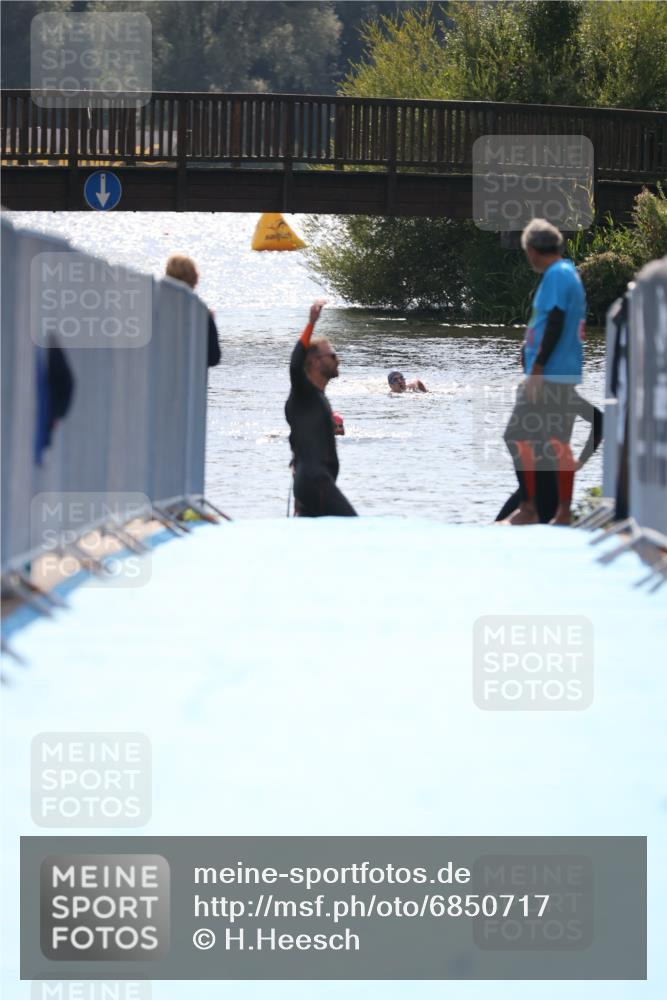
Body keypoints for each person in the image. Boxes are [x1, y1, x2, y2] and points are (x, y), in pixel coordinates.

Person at [503, 218, 587, 526]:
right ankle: (562, 513)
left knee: (515, 435)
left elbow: (555, 320)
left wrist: (537, 368)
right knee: (556, 441)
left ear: (532, 249)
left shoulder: (556, 275)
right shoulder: (567, 272)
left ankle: (529, 508)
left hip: (549, 373)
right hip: (562, 371)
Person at [285, 301, 357, 517]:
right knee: (352, 525)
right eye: (332, 355)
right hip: (315, 481)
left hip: (313, 482)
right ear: (316, 362)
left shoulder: (316, 397)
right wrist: (311, 323)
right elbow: (295, 364)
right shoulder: (303, 393)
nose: (338, 360)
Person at [496, 392, 602, 523]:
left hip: (541, 479)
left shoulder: (537, 396)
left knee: (504, 526)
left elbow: (511, 436)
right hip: (554, 477)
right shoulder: (569, 396)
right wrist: (582, 459)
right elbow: (599, 420)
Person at [165, 254, 221, 367]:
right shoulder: (200, 312)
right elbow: (213, 358)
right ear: (195, 279)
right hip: (190, 375)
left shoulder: (154, 309)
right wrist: (210, 322)